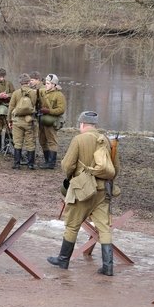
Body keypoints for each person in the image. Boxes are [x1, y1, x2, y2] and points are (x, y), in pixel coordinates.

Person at [47, 111, 120, 275]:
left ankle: (63, 260)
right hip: (103, 190)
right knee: (104, 228)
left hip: (83, 190)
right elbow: (115, 168)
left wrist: (70, 177)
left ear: (82, 124)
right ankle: (108, 266)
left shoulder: (79, 139)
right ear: (95, 125)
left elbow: (67, 165)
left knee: (72, 225)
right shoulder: (107, 141)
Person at [8, 73, 38, 169]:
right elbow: (33, 105)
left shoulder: (16, 93)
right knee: (30, 142)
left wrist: (9, 120)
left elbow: (11, 107)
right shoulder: (33, 93)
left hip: (17, 121)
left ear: (20, 82)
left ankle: (17, 164)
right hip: (29, 121)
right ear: (28, 82)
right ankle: (30, 164)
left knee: (17, 142)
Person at [38, 73, 66, 169]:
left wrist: (49, 111)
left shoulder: (59, 95)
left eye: (49, 83)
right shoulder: (43, 92)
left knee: (52, 141)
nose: (46, 85)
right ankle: (46, 161)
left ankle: (51, 163)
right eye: (46, 83)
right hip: (42, 120)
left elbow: (61, 109)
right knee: (42, 140)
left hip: (52, 121)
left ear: (54, 84)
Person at [0, 68, 14, 153]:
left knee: (9, 128)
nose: (1, 78)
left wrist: (7, 95)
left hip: (7, 109)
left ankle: (6, 148)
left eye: (2, 77)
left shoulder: (9, 84)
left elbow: (14, 94)